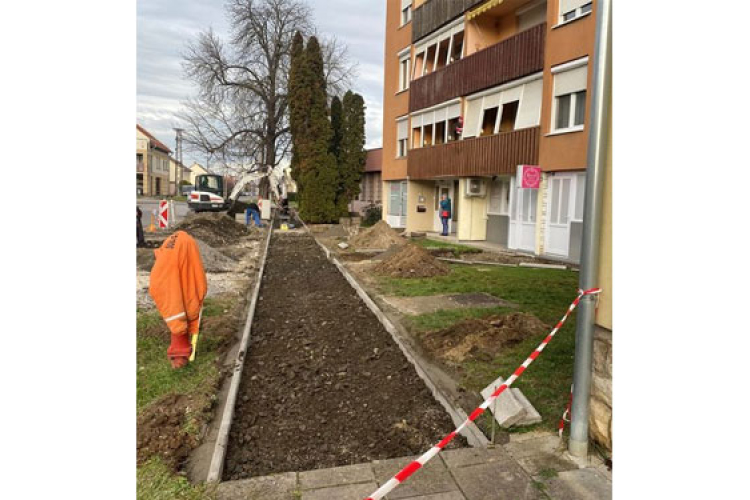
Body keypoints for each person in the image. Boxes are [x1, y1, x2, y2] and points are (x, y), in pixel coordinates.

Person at [149, 231, 208, 369]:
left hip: (168, 272)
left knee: (180, 307)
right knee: (177, 310)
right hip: (166, 279)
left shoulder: (177, 248)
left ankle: (180, 351)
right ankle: (180, 353)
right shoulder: (165, 280)